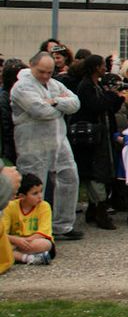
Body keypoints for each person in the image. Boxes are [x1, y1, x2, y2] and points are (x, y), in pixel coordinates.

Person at [11, 52, 82, 241]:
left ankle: (63, 224)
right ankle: (29, 227)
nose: (45, 76)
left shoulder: (55, 84)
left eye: (49, 72)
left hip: (59, 140)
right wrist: (60, 108)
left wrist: (56, 101)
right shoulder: (21, 87)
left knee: (69, 177)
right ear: (31, 65)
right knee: (33, 185)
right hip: (32, 144)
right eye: (41, 71)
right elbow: (39, 110)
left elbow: (75, 103)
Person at [70, 55, 122, 230]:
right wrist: (112, 95)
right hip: (91, 140)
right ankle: (100, 210)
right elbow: (96, 105)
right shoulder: (85, 87)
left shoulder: (96, 84)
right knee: (95, 173)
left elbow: (107, 106)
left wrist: (117, 98)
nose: (104, 68)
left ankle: (93, 209)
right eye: (101, 65)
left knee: (101, 171)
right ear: (94, 67)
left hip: (102, 137)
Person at [3, 173, 55, 265]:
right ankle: (28, 258)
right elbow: (3, 232)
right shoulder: (10, 206)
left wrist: (25, 242)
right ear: (22, 196)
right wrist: (18, 241)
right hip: (15, 241)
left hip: (33, 241)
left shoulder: (44, 206)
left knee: (45, 244)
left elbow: (42, 233)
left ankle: (14, 255)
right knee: (3, 243)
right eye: (35, 193)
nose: (40, 196)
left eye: (41, 191)